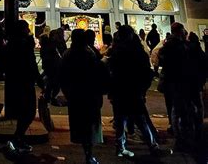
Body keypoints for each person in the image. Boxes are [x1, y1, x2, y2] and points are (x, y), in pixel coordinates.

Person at [106, 24, 160, 158]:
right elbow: (146, 72)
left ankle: (121, 147)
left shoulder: (115, 52)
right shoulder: (137, 52)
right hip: (134, 91)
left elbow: (110, 73)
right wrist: (143, 88)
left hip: (120, 91)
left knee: (121, 120)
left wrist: (111, 90)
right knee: (140, 120)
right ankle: (152, 146)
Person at [60, 28, 108, 164]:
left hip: (75, 94)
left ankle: (87, 150)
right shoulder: (89, 53)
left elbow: (62, 75)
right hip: (89, 94)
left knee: (80, 124)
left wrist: (66, 92)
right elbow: (98, 73)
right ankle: (89, 153)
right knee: (90, 124)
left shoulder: (68, 54)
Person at [4, 19, 45, 155]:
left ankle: (18, 138)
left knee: (23, 112)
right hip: (24, 82)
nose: (29, 30)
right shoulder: (24, 45)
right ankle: (17, 137)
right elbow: (31, 64)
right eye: (27, 28)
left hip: (15, 81)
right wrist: (40, 81)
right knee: (28, 112)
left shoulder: (11, 44)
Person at [158, 22, 199, 150]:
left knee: (176, 109)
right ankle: (182, 138)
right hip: (178, 82)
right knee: (181, 110)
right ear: (180, 31)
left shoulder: (169, 44)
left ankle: (180, 136)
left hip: (173, 81)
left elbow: (162, 59)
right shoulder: (177, 45)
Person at [40, 28, 65, 105]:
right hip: (53, 67)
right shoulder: (51, 46)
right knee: (54, 83)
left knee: (52, 83)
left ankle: (48, 97)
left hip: (52, 66)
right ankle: (49, 97)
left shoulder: (50, 45)